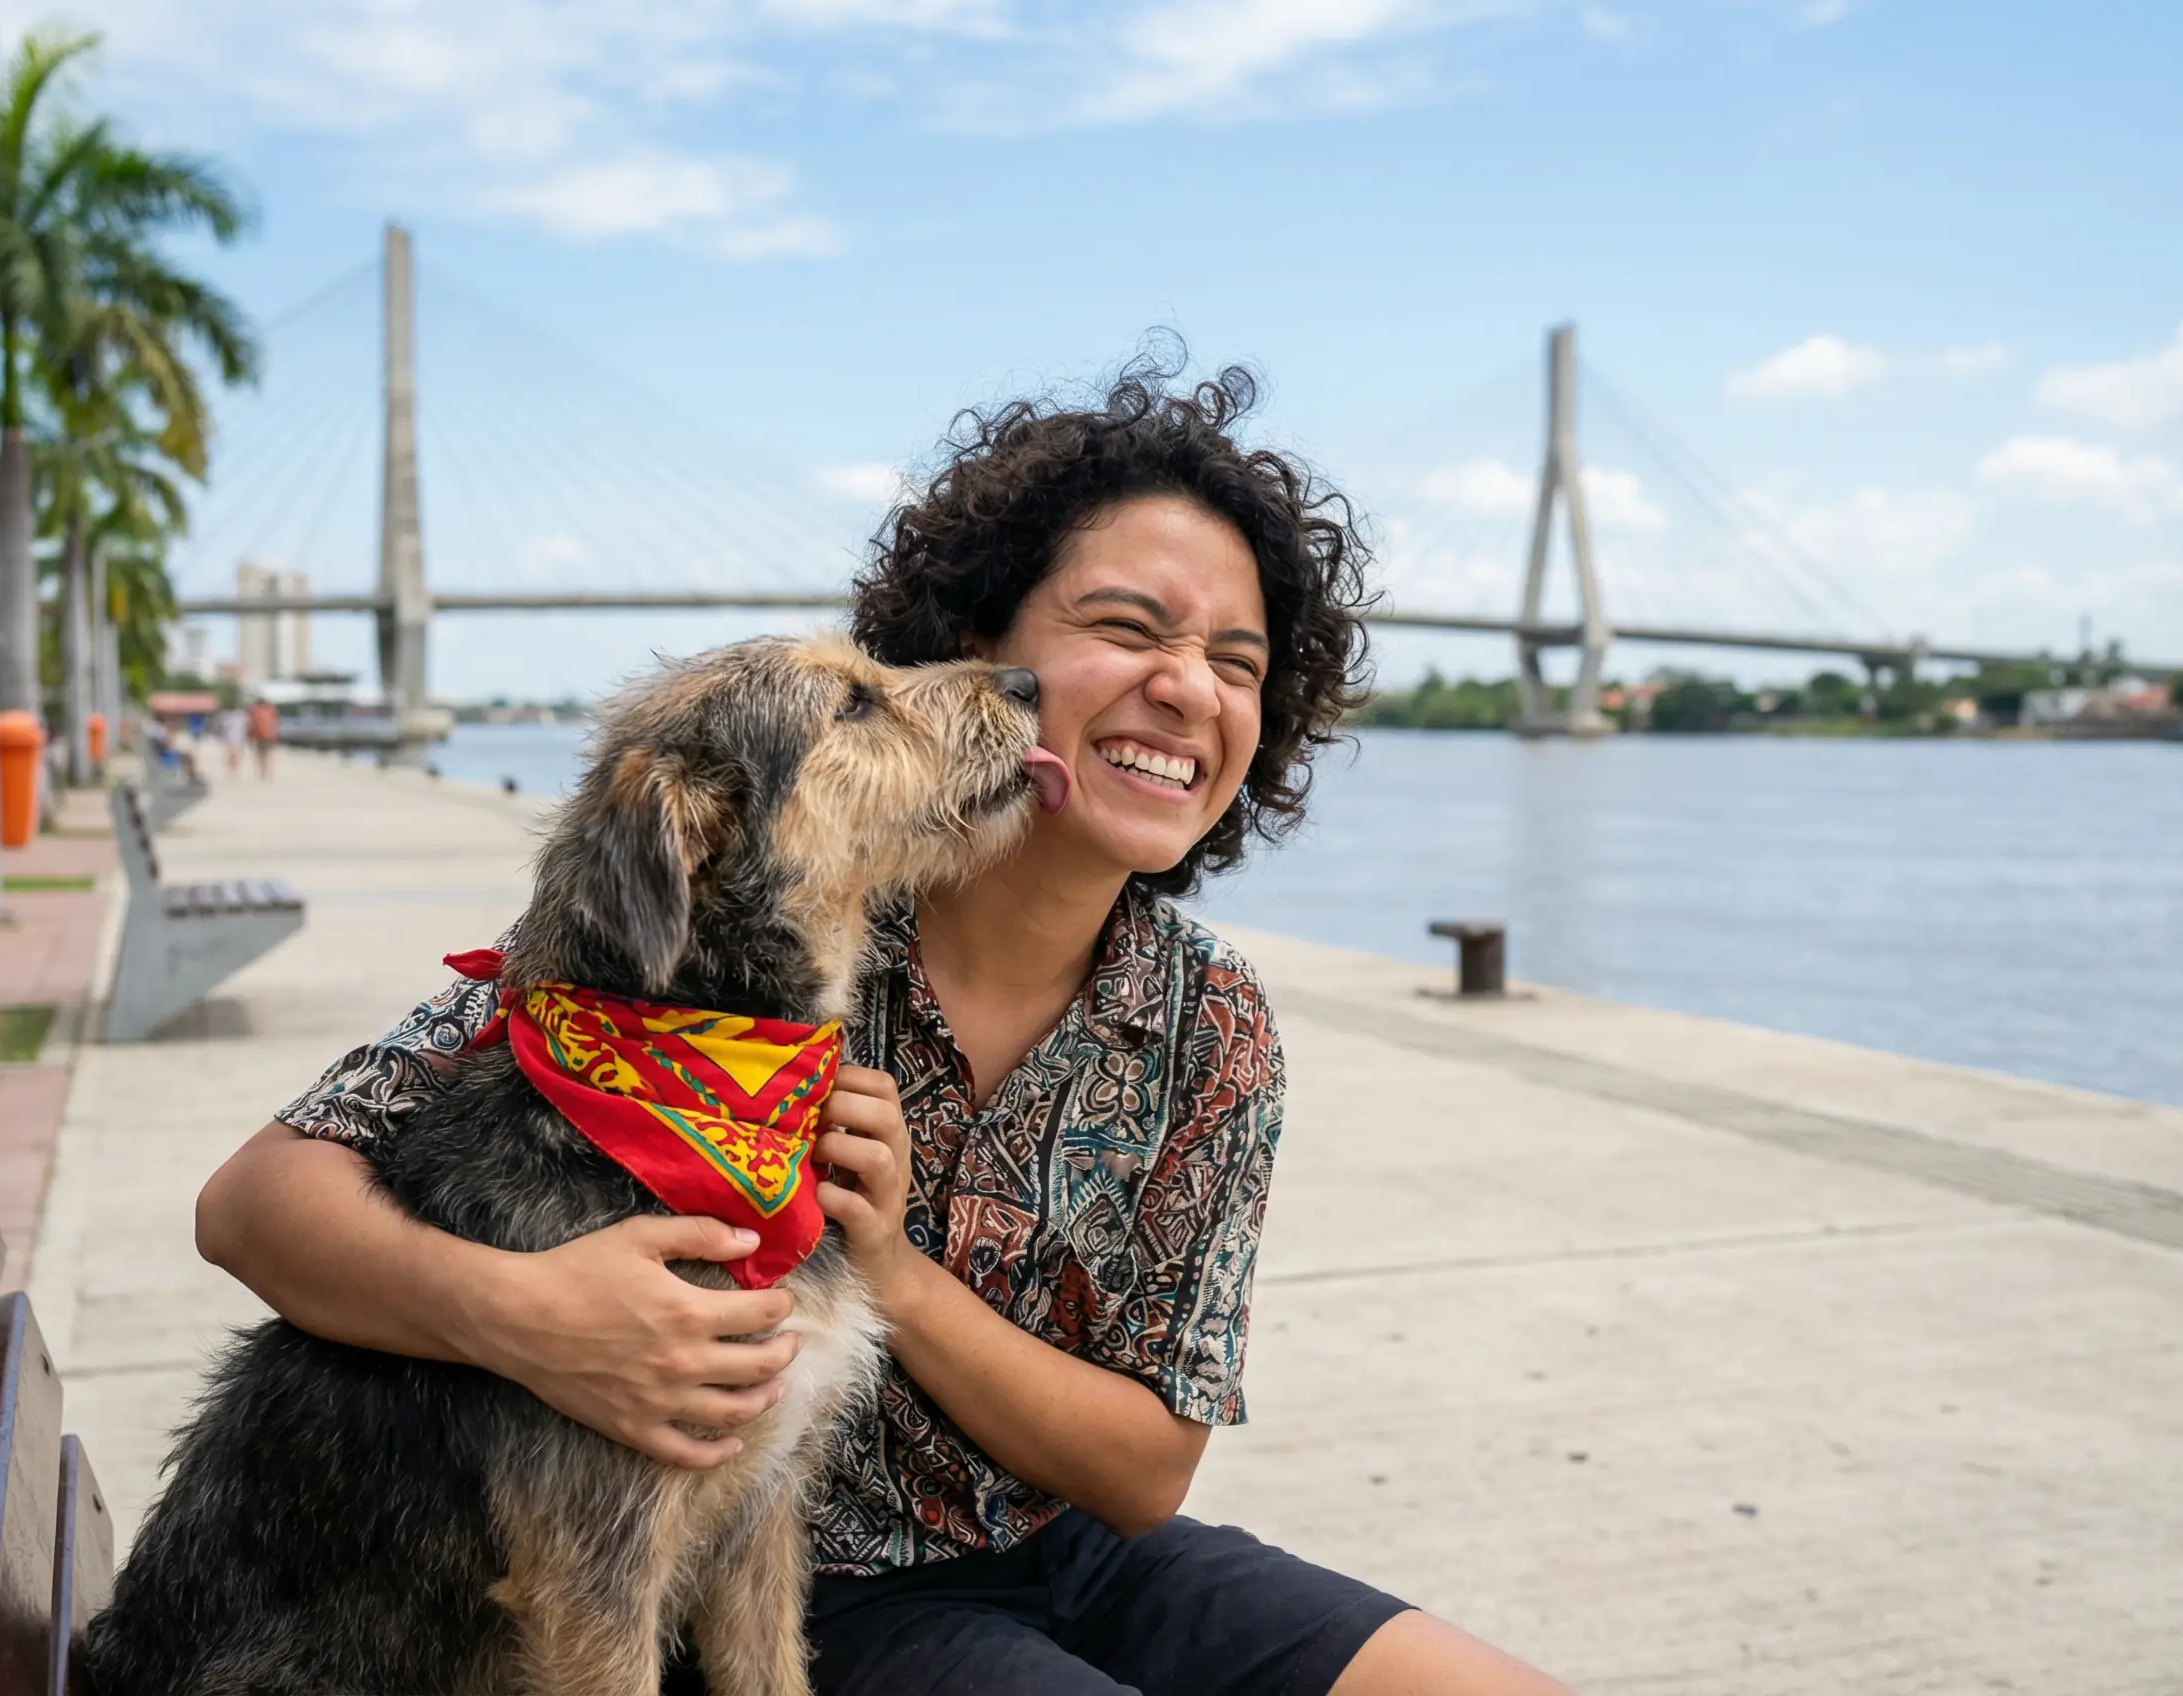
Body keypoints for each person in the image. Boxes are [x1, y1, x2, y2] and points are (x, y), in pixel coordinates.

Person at [195, 364, 1574, 1696]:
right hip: (828, 1598)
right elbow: (257, 1200)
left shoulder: (1205, 1019)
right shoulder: (733, 950)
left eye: (1237, 660)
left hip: (1070, 1553)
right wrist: (532, 1318)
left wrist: (896, 1273)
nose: (1188, 689)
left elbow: (1147, 1471)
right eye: (1126, 628)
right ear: (987, 645)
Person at [247, 696, 278, 779]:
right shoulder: (271, 710)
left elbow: (251, 724)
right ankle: (267, 770)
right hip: (269, 736)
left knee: (259, 754)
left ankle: (262, 771)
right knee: (268, 754)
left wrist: (249, 736)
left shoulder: (255, 711)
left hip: (258, 736)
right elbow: (275, 724)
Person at [218, 704, 248, 777]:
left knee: (231, 756)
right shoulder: (241, 717)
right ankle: (234, 770)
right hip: (237, 740)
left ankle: (232, 770)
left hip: (230, 740)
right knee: (235, 756)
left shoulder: (226, 717)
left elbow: (222, 729)